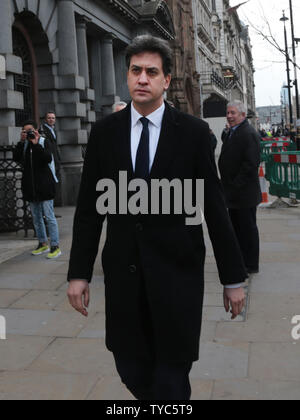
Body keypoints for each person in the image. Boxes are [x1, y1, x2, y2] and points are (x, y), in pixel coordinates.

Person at [67, 35, 247, 400]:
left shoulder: (194, 134)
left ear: (166, 80)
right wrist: (78, 273)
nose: (142, 79)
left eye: (152, 72)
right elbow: (88, 211)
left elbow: (214, 208)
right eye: (136, 71)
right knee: (131, 369)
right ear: (128, 76)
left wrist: (233, 278)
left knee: (171, 378)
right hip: (124, 280)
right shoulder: (104, 134)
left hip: (176, 277)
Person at [218, 101, 262, 275]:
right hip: (234, 193)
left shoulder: (248, 133)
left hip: (244, 194)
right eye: (228, 113)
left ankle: (251, 264)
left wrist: (235, 184)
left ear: (243, 115)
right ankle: (241, 260)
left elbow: (251, 165)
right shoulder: (233, 131)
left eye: (233, 113)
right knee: (237, 229)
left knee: (247, 230)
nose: (229, 116)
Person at [13, 120, 61, 259]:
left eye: (30, 130)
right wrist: (21, 142)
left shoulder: (44, 142)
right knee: (36, 218)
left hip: (45, 186)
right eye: (25, 131)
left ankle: (55, 246)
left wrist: (36, 144)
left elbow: (47, 158)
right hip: (31, 187)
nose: (28, 133)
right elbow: (16, 158)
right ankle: (42, 243)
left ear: (36, 130)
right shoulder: (24, 145)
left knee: (49, 217)